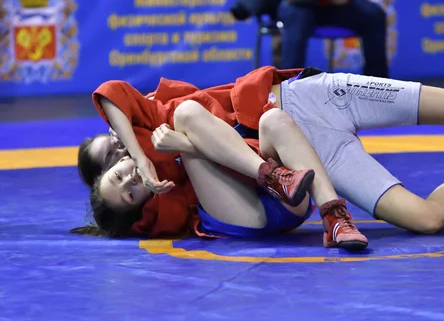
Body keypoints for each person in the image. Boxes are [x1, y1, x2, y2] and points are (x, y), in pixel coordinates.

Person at [78, 66, 444, 237]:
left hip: (303, 98)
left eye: (118, 159)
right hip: (306, 158)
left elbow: (112, 96)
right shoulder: (168, 187)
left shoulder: (152, 119)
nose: (121, 153)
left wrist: (134, 150)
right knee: (427, 220)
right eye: (112, 155)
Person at [78, 82, 369, 250]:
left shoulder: (145, 138)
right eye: (130, 193)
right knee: (186, 117)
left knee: (273, 120)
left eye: (118, 175)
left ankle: (334, 218)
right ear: (138, 209)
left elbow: (110, 91)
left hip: (286, 193)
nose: (131, 180)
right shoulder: (159, 209)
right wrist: (183, 146)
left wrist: (142, 155)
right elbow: (206, 169)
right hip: (250, 214)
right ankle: (270, 176)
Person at [249, 0, 388, 77]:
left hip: (329, 2)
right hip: (292, 0)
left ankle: (379, 90)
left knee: (373, 14)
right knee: (298, 16)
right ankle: (288, 89)